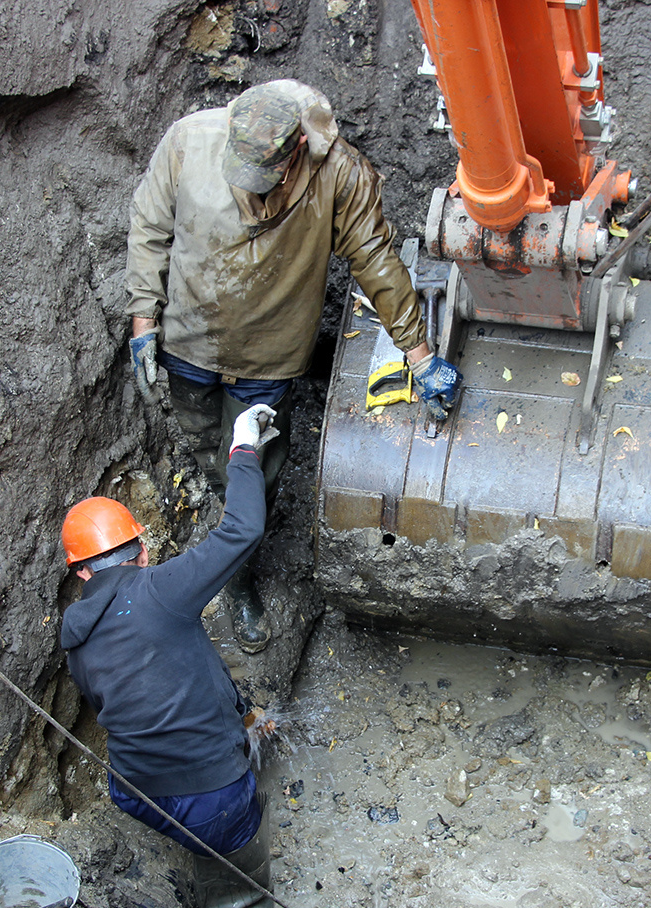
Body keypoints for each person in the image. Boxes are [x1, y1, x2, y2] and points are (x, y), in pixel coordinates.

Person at [124, 78, 463, 654]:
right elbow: (150, 229)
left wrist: (420, 354)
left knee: (257, 463)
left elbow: (374, 260)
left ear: (293, 159)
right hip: (189, 343)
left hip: (269, 356)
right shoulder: (189, 140)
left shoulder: (340, 175)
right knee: (209, 449)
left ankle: (240, 572)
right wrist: (142, 320)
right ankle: (222, 501)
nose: (249, 193)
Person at [60, 403, 280, 908]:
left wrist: (240, 710)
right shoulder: (159, 590)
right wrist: (243, 447)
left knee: (201, 808)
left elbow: (170, 677)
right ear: (144, 550)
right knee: (243, 901)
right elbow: (241, 530)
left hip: (133, 792)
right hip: (211, 798)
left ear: (81, 573)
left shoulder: (75, 635)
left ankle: (202, 850)